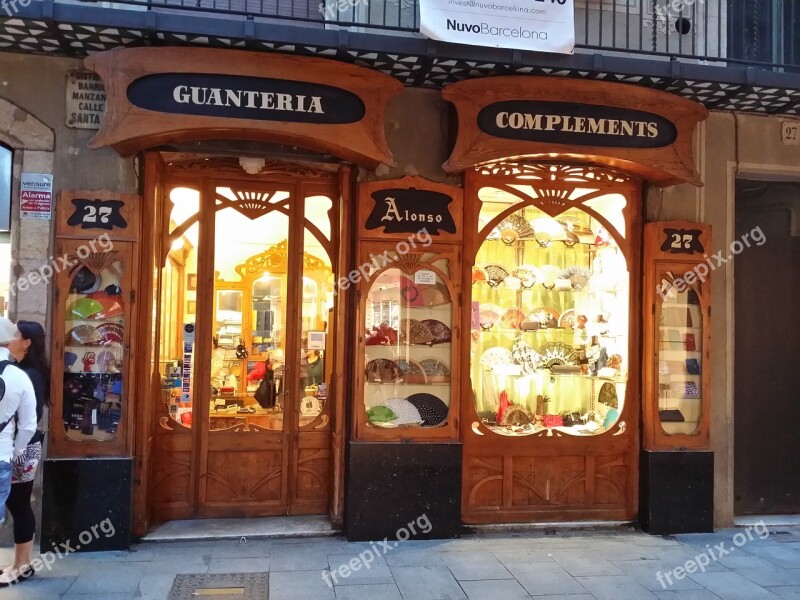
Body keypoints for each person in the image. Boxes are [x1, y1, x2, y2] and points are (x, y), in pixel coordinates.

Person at [0, 321, 48, 587]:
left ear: (27, 342)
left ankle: (23, 564)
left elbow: (32, 417)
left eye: (16, 334)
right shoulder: (17, 370)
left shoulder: (29, 374)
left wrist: (17, 447)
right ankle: (19, 562)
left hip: (22, 446)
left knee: (18, 503)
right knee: (15, 503)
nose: (11, 338)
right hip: (17, 445)